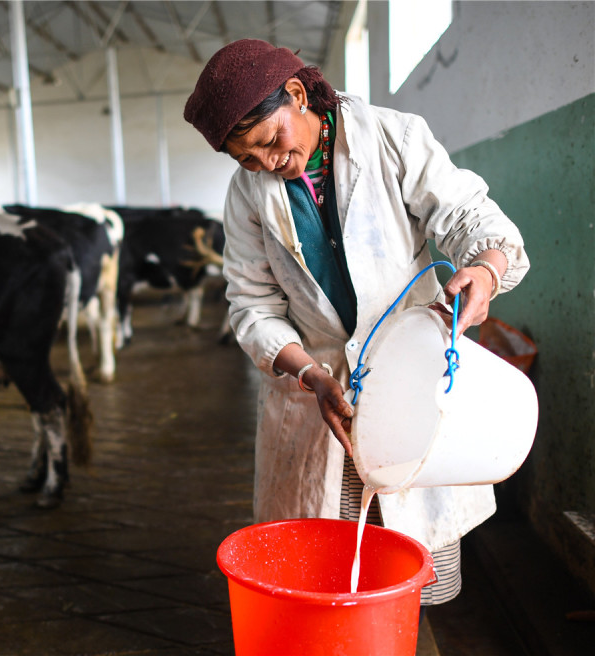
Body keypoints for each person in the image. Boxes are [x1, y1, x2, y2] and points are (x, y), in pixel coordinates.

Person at [184, 39, 529, 605]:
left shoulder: (393, 138)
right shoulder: (248, 192)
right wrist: (309, 375)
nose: (268, 163)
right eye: (247, 157)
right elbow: (252, 305)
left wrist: (485, 272)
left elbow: (471, 216)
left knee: (416, 566)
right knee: (336, 567)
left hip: (410, 376)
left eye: (272, 141)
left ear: (297, 95)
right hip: (322, 400)